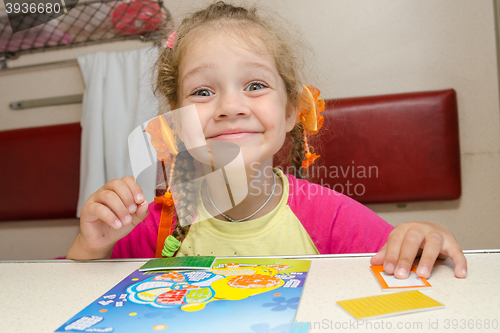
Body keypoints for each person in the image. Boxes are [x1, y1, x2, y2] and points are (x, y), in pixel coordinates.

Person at [67, 1, 467, 280]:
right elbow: (69, 294)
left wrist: (423, 236)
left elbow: (404, 258)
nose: (230, 106)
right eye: (203, 92)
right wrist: (92, 246)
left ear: (292, 111)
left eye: (255, 85)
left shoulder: (327, 218)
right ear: (175, 123)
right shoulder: (156, 224)